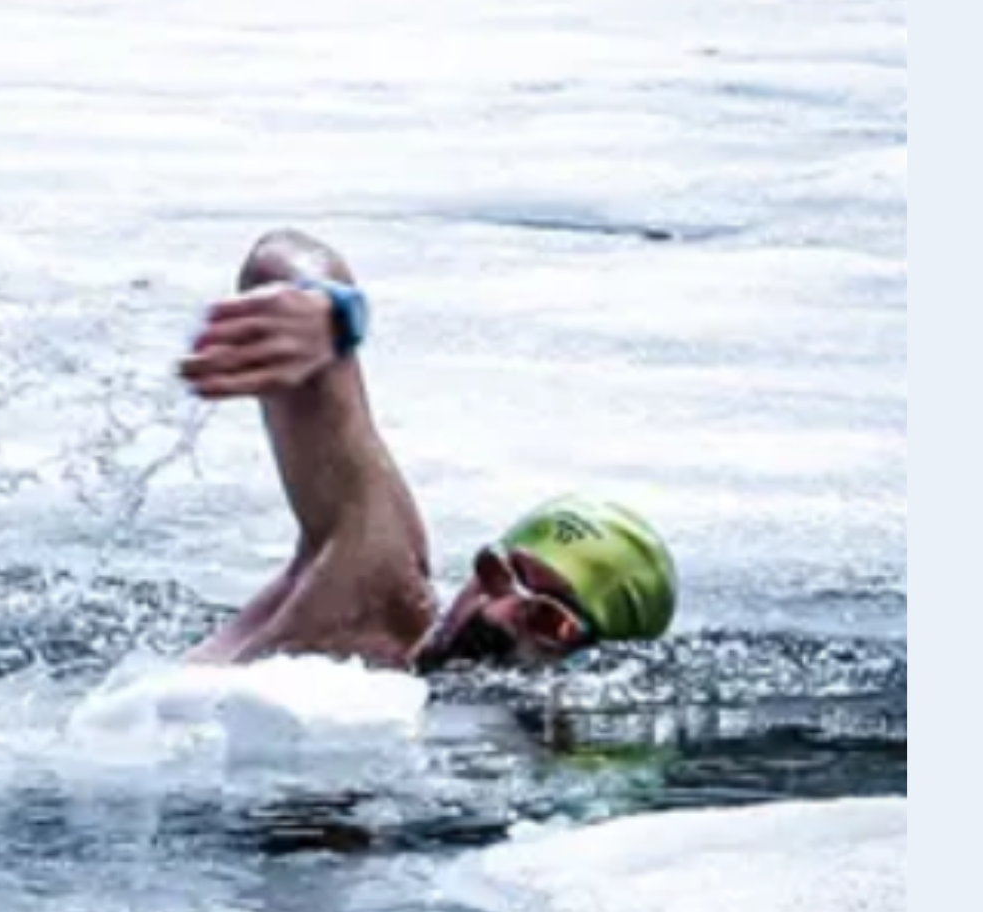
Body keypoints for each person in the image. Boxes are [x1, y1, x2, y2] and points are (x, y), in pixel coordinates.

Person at [177, 229, 678, 673]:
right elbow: (280, 254)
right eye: (495, 571)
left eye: (548, 619)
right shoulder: (372, 599)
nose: (496, 609)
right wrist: (329, 310)